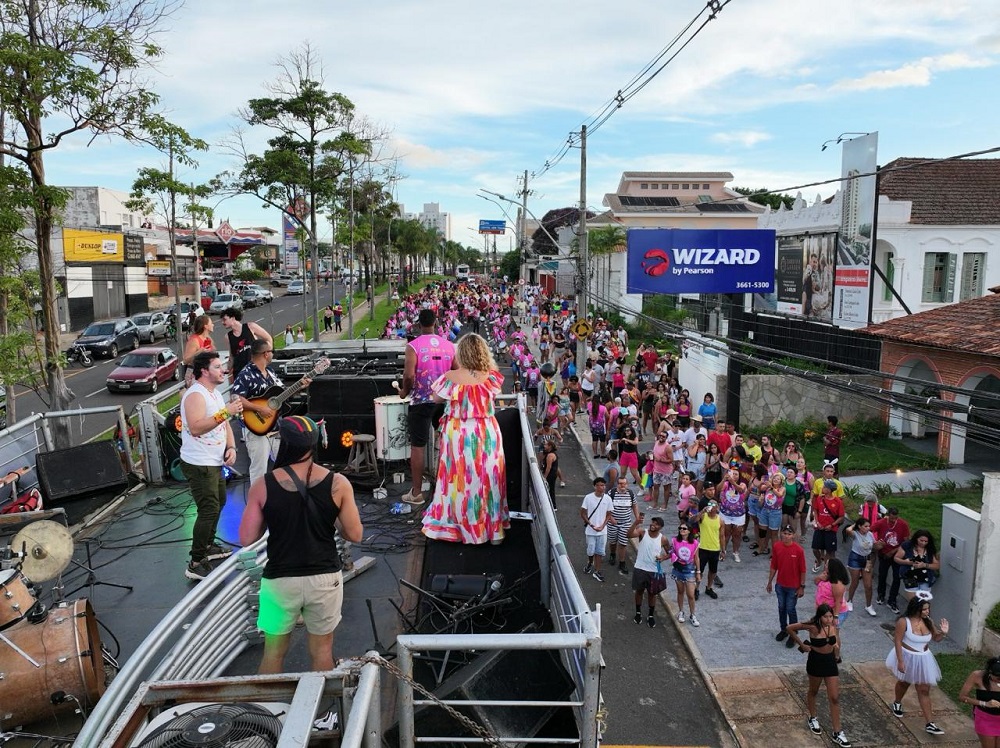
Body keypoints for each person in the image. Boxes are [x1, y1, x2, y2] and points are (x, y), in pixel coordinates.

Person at [238, 415, 363, 674]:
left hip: (280, 581)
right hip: (324, 578)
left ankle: (269, 702)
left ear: (284, 442)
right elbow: (355, 534)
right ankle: (320, 701)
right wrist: (332, 517)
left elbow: (247, 538)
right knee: (322, 652)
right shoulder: (338, 483)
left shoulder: (263, 485)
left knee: (273, 653)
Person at [422, 333, 508, 545]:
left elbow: (436, 398)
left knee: (457, 480)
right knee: (488, 478)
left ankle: (458, 527)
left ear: (460, 353)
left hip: (458, 434)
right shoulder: (492, 378)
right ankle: (493, 531)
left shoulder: (450, 378)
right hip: (486, 432)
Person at [179, 351, 242, 581]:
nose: (223, 370)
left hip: (214, 461)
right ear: (204, 371)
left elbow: (224, 424)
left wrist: (231, 447)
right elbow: (196, 428)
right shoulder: (196, 395)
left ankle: (207, 546)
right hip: (199, 463)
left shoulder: (213, 393)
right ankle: (196, 562)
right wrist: (226, 411)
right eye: (217, 367)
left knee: (219, 502)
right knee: (208, 509)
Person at [399, 309, 456, 505]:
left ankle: (416, 493)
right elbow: (457, 371)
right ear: (436, 323)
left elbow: (408, 376)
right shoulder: (449, 346)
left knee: (418, 447)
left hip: (421, 401)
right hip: (443, 401)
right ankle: (447, 489)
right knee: (446, 443)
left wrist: (404, 392)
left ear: (418, 325)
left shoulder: (413, 346)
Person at [785, 604, 852, 747]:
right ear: (820, 617)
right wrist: (802, 645)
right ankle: (813, 717)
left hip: (830, 662)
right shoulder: (812, 626)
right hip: (816, 661)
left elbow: (836, 640)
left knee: (834, 697)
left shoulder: (832, 625)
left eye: (830, 616)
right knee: (813, 691)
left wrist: (837, 653)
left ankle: (837, 732)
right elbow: (789, 628)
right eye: (825, 617)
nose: (828, 619)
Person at [886, 594, 949, 735]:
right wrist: (900, 661)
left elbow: (936, 638)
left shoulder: (928, 621)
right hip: (908, 657)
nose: (927, 611)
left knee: (924, 690)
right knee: (904, 683)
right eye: (925, 609)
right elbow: (897, 641)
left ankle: (930, 723)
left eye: (928, 609)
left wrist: (943, 633)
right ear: (916, 609)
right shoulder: (904, 622)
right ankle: (897, 702)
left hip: (924, 658)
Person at [627, 513, 670, 628]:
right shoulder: (642, 532)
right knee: (639, 591)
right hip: (640, 568)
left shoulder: (663, 539)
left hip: (653, 570)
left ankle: (651, 615)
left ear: (660, 527)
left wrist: (663, 558)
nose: (653, 525)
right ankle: (638, 613)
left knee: (652, 594)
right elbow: (629, 535)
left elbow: (670, 552)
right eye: (653, 522)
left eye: (656, 524)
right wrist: (635, 523)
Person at [767, 524, 807, 648]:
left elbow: (803, 570)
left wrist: (801, 586)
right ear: (781, 533)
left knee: (790, 609)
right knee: (781, 608)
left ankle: (793, 633)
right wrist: (770, 582)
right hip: (780, 584)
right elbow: (774, 565)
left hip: (793, 587)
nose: (786, 536)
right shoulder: (777, 546)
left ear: (793, 535)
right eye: (784, 533)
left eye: (789, 534)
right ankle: (784, 629)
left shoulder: (799, 550)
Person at [874, 507, 910, 613]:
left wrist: (893, 552)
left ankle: (892, 600)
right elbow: (869, 530)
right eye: (891, 518)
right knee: (882, 575)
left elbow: (906, 542)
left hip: (897, 555)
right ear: (888, 515)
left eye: (895, 518)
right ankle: (881, 595)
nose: (893, 520)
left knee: (896, 578)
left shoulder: (903, 524)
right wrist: (875, 543)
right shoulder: (881, 522)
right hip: (883, 554)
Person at [220, 307, 272, 382]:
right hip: (240, 373)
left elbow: (268, 338)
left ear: (233, 318)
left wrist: (268, 355)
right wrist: (228, 369)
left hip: (255, 369)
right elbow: (232, 356)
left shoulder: (251, 326)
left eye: (224, 319)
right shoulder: (228, 336)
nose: (222, 322)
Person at [957, 656, 1000, 746]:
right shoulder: (977, 676)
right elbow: (962, 697)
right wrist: (984, 703)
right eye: (998, 679)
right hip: (985, 719)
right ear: (990, 673)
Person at [580, 477, 615, 582]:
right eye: (600, 485)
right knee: (591, 550)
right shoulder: (588, 497)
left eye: (603, 485)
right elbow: (583, 513)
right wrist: (591, 525)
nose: (602, 487)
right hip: (590, 531)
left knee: (600, 551)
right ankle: (590, 562)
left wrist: (603, 526)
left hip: (602, 531)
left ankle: (597, 571)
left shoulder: (608, 499)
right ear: (595, 486)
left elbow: (609, 514)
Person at [894, 529, 940, 603]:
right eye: (921, 540)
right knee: (913, 603)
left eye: (926, 541)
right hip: (910, 577)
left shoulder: (930, 549)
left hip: (925, 578)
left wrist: (925, 565)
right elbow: (896, 558)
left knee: (923, 603)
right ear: (916, 538)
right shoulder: (907, 546)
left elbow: (937, 566)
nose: (923, 543)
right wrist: (906, 562)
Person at [844, 516, 877, 617]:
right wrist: (855, 524)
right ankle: (849, 600)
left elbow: (874, 546)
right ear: (860, 526)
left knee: (868, 585)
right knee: (855, 582)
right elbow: (848, 530)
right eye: (865, 526)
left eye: (869, 526)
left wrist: (879, 545)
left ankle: (869, 605)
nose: (868, 528)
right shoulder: (855, 534)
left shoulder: (870, 534)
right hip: (855, 558)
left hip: (867, 559)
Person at [670, 521, 701, 627]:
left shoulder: (695, 543)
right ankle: (681, 611)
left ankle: (692, 615)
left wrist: (698, 572)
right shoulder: (675, 540)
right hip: (678, 568)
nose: (681, 530)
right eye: (680, 528)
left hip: (689, 569)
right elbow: (671, 552)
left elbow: (696, 558)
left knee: (691, 594)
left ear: (689, 531)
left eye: (684, 528)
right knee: (680, 591)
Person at [811, 478, 846, 572]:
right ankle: (819, 560)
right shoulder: (820, 498)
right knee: (815, 548)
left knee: (829, 551)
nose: (822, 488)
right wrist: (817, 522)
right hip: (819, 528)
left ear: (829, 490)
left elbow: (841, 517)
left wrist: (832, 525)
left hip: (831, 530)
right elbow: (816, 510)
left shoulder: (837, 501)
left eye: (824, 487)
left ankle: (826, 570)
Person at [608, 476, 639, 576]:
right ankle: (612, 554)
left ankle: (622, 562)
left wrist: (637, 519)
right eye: (620, 483)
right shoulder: (611, 493)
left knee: (623, 543)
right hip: (612, 523)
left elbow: (634, 506)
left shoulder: (631, 494)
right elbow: (606, 507)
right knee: (612, 541)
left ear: (627, 484)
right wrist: (611, 518)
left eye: (624, 483)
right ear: (617, 484)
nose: (622, 485)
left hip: (626, 523)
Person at [695, 499, 724, 600]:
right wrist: (702, 511)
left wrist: (723, 550)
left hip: (715, 549)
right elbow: (694, 520)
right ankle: (696, 589)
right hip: (703, 548)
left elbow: (722, 536)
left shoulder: (720, 520)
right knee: (700, 570)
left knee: (713, 571)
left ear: (717, 507)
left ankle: (709, 587)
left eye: (713, 505)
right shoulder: (703, 516)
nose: (711, 506)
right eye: (709, 504)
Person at [182, 314, 215, 383]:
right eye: (211, 323)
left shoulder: (208, 338)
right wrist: (199, 352)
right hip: (195, 375)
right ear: (205, 326)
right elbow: (185, 361)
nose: (213, 325)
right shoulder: (194, 340)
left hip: (206, 373)